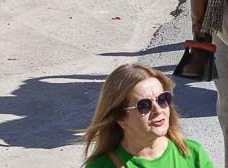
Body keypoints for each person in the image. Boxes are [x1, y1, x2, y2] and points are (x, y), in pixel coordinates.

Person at [83, 63, 212, 167]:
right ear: (120, 117)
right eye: (144, 105)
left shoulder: (193, 154)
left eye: (162, 99)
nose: (158, 110)